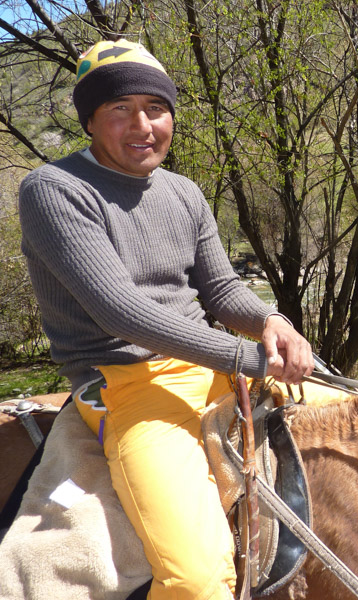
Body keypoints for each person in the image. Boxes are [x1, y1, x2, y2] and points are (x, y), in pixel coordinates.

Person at [18, 39, 315, 599]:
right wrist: (247, 355)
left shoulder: (182, 191)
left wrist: (273, 323)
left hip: (211, 363)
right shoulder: (54, 190)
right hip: (128, 383)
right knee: (198, 579)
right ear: (90, 120)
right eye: (119, 110)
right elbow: (121, 311)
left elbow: (222, 289)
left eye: (155, 109)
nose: (143, 125)